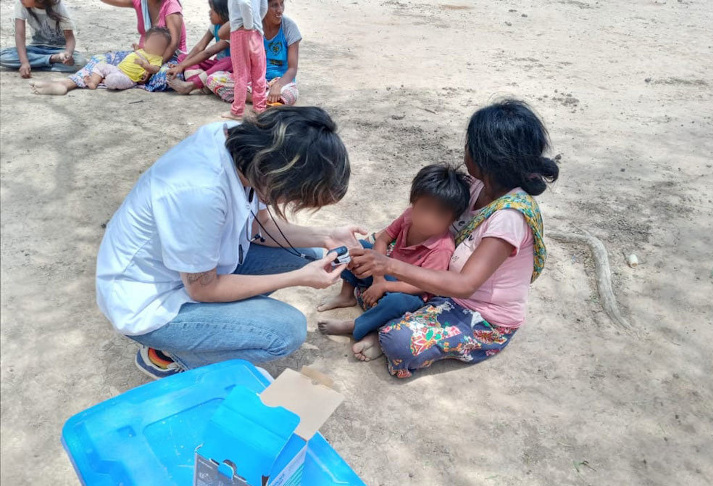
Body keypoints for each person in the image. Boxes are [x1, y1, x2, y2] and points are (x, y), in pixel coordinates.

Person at [95, 106, 364, 379]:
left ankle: (217, 327)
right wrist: (296, 278)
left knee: (306, 254)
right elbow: (203, 289)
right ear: (278, 176)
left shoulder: (249, 148)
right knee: (286, 332)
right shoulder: (201, 193)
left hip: (190, 272)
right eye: (291, 197)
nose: (287, 202)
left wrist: (327, 236)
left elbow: (261, 226)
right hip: (150, 301)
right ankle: (171, 355)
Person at [347, 99, 559, 378]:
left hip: (478, 312)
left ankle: (385, 324)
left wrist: (388, 266)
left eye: (469, 145)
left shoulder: (509, 217)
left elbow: (465, 285)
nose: (465, 152)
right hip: (436, 276)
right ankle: (389, 310)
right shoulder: (477, 187)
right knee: (358, 255)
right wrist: (382, 250)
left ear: (485, 159)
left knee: (398, 340)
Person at [317, 164, 470, 341]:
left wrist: (384, 286)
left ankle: (357, 325)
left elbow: (421, 286)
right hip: (386, 272)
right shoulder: (408, 217)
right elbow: (383, 240)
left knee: (398, 302)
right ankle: (346, 295)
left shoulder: (442, 248)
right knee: (355, 249)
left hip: (410, 292)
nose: (429, 219)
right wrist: (378, 278)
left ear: (452, 219)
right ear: (414, 203)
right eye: (425, 208)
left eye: (440, 215)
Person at [31, 0, 186, 95]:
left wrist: (150, 67)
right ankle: (68, 83)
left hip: (165, 59)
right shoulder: (140, 2)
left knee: (171, 76)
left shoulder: (171, 5)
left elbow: (173, 44)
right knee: (101, 59)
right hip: (141, 54)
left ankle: (115, 80)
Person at [207, 0, 300, 108]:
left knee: (290, 94)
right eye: (274, 5)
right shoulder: (252, 23)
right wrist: (245, 12)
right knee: (213, 79)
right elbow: (222, 34)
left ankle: (261, 98)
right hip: (252, 82)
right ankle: (264, 100)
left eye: (282, 4)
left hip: (280, 82)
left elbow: (292, 69)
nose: (280, 10)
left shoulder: (289, 27)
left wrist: (277, 86)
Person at [0, 0, 85, 77]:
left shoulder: (57, 5)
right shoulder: (21, 3)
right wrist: (24, 62)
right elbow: (19, 35)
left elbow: (70, 37)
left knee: (80, 62)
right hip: (36, 48)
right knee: (2, 55)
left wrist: (68, 54)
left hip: (58, 50)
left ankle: (37, 63)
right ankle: (51, 59)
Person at [166, 0, 231, 95]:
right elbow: (200, 47)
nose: (210, 12)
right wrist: (183, 63)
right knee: (183, 57)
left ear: (223, 12)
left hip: (228, 67)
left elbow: (208, 52)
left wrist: (182, 66)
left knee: (229, 61)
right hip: (216, 64)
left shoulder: (230, 30)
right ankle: (202, 84)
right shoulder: (215, 26)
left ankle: (191, 85)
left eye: (213, 9)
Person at [84, 27, 170, 90]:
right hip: (118, 69)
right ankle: (93, 82)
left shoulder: (156, 58)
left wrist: (145, 65)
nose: (155, 47)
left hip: (129, 78)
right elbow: (137, 54)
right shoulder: (142, 51)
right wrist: (136, 49)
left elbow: (156, 69)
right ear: (145, 42)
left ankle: (104, 80)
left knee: (113, 80)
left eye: (159, 46)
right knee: (100, 66)